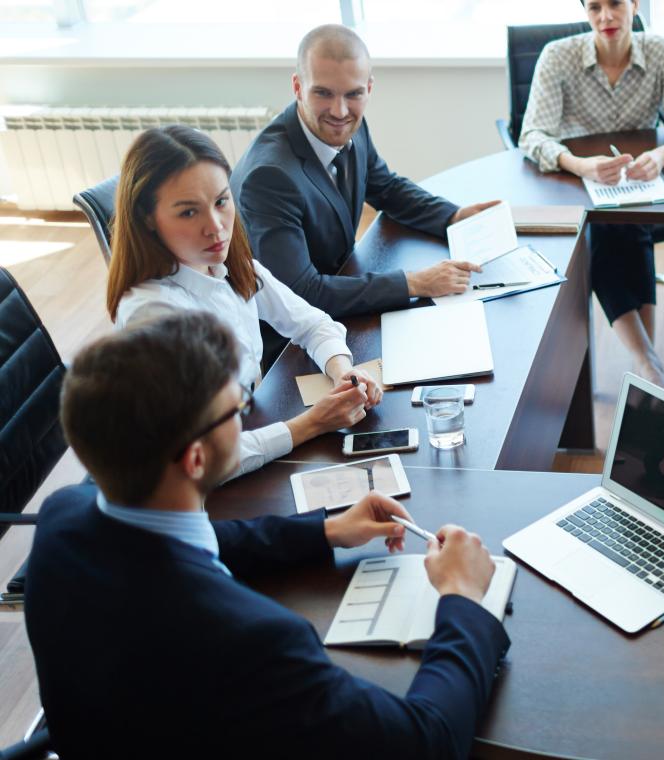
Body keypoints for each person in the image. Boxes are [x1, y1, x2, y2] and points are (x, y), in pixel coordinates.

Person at [24, 311, 509, 760]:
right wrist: (462, 597)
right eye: (238, 408)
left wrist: (325, 532)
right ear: (195, 459)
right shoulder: (254, 642)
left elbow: (195, 543)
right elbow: (427, 744)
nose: (245, 415)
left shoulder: (63, 518)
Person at [107, 125, 379, 479]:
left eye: (221, 201)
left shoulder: (226, 263)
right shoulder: (153, 315)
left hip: (249, 430)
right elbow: (203, 461)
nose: (216, 227)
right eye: (189, 212)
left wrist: (345, 373)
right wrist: (312, 423)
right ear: (148, 219)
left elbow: (312, 323)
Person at [232, 24, 499, 322]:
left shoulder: (352, 128)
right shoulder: (269, 178)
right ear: (297, 87)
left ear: (369, 88)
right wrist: (416, 283)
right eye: (323, 93)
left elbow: (386, 187)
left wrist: (453, 216)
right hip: (290, 336)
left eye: (353, 94)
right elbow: (300, 293)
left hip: (342, 288)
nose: (339, 111)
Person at [519, 0, 664, 391]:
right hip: (574, 186)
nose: (605, 17)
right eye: (594, 7)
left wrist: (662, 155)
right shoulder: (558, 56)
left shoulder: (659, 52)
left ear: (635, 5)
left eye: (615, 4)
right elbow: (532, 135)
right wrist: (580, 164)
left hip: (638, 184)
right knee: (610, 228)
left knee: (623, 225)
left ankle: (648, 368)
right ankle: (650, 365)